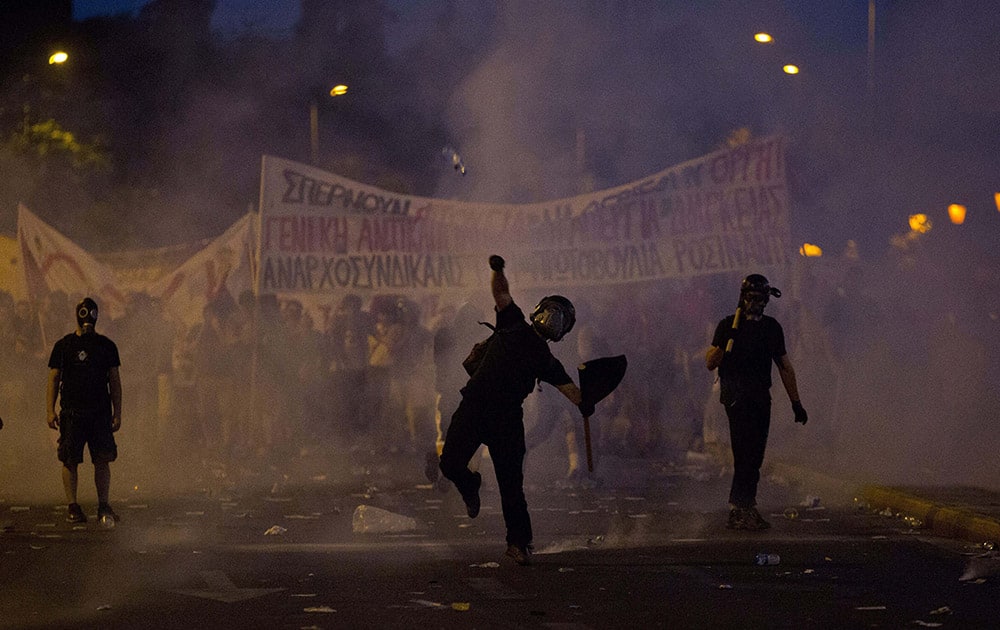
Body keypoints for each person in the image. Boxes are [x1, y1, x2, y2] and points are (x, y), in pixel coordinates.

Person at [439, 254, 587, 565]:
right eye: (553, 313)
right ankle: (471, 485)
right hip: (475, 407)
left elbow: (570, 390)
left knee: (511, 487)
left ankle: (519, 544)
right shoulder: (512, 323)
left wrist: (587, 401)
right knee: (450, 464)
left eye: (561, 318)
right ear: (540, 311)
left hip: (507, 420)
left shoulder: (546, 359)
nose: (554, 320)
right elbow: (501, 292)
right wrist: (497, 270)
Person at [705, 274, 808, 530]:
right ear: (743, 298)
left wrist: (796, 403)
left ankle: (745, 506)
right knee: (744, 453)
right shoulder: (728, 325)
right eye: (752, 298)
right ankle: (740, 507)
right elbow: (710, 362)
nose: (756, 303)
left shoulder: (771, 329)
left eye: (761, 298)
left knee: (755, 455)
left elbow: (785, 367)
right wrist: (729, 338)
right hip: (736, 397)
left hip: (760, 397)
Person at [46, 297, 123, 525]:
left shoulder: (106, 346)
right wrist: (49, 411)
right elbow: (53, 378)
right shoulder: (64, 346)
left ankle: (103, 504)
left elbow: (115, 381)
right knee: (70, 460)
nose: (87, 318)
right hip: (72, 413)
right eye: (84, 313)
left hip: (99, 413)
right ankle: (73, 505)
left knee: (102, 459)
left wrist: (117, 412)